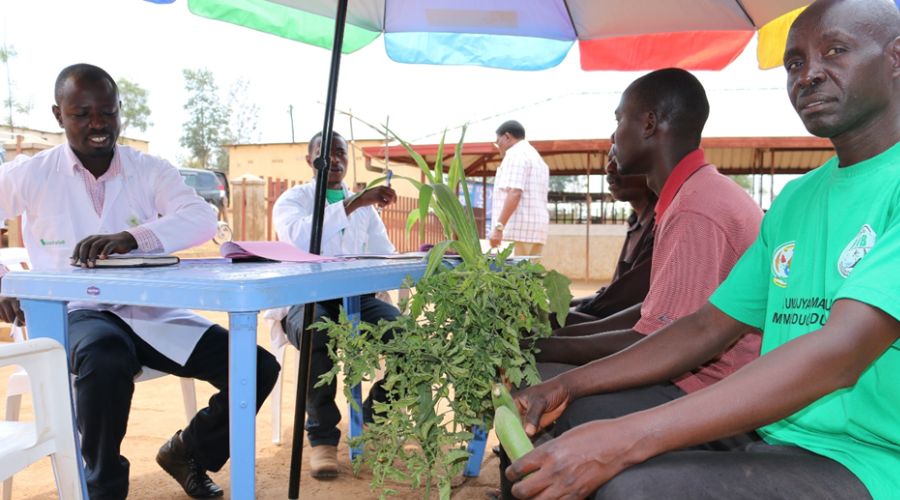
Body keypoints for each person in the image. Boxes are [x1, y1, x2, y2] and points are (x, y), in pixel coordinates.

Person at [505, 1, 900, 498]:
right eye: (795, 63)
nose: (809, 76)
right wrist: (570, 384)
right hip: (779, 430)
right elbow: (707, 325)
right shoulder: (799, 198)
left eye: (835, 52)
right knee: (575, 434)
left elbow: (840, 352)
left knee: (628, 487)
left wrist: (627, 439)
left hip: (874, 460)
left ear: (896, 57)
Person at [0, 64, 280, 500]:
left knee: (257, 365)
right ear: (58, 115)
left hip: (150, 311)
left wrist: (132, 238)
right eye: (82, 114)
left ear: (119, 112)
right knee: (104, 357)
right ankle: (103, 486)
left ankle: (189, 451)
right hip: (76, 313)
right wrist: (4, 282)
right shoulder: (32, 173)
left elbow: (201, 217)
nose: (97, 124)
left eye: (107, 112)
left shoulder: (148, 169)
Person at [495, 66, 764, 499]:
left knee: (554, 401)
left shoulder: (698, 207)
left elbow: (663, 339)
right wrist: (552, 336)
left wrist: (545, 345)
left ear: (649, 123)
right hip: (695, 379)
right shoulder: (687, 196)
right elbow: (652, 314)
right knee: (544, 378)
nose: (614, 136)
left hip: (716, 397)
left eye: (618, 119)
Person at [272, 131, 400, 479]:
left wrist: (423, 256)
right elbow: (299, 239)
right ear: (310, 159)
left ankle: (376, 413)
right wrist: (355, 202)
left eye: (341, 153)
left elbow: (383, 254)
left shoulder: (366, 209)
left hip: (358, 299)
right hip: (307, 297)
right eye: (325, 153)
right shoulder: (293, 200)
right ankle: (322, 438)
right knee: (317, 331)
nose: (335, 159)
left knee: (409, 339)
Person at [564, 142, 656, 327]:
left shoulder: (659, 224)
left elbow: (624, 302)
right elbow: (613, 293)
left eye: (619, 158)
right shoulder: (636, 222)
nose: (609, 168)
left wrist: (570, 312)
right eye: (609, 160)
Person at [488, 120, 550, 256]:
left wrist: (499, 228)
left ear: (507, 137)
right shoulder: (537, 159)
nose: (498, 147)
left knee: (511, 276)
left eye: (498, 142)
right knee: (530, 275)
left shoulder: (515, 155)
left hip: (516, 231)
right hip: (536, 232)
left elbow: (515, 192)